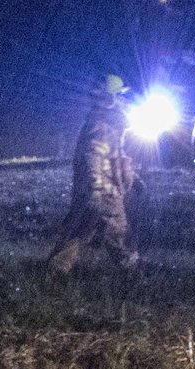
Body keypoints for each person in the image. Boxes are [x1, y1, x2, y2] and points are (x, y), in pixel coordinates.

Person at [47, 75, 140, 274]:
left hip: (98, 188)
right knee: (117, 230)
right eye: (120, 95)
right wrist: (96, 187)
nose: (124, 100)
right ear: (110, 98)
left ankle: (56, 268)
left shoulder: (107, 124)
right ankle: (130, 270)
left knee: (81, 228)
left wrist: (132, 177)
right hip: (104, 189)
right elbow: (93, 156)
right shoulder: (102, 125)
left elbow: (115, 156)